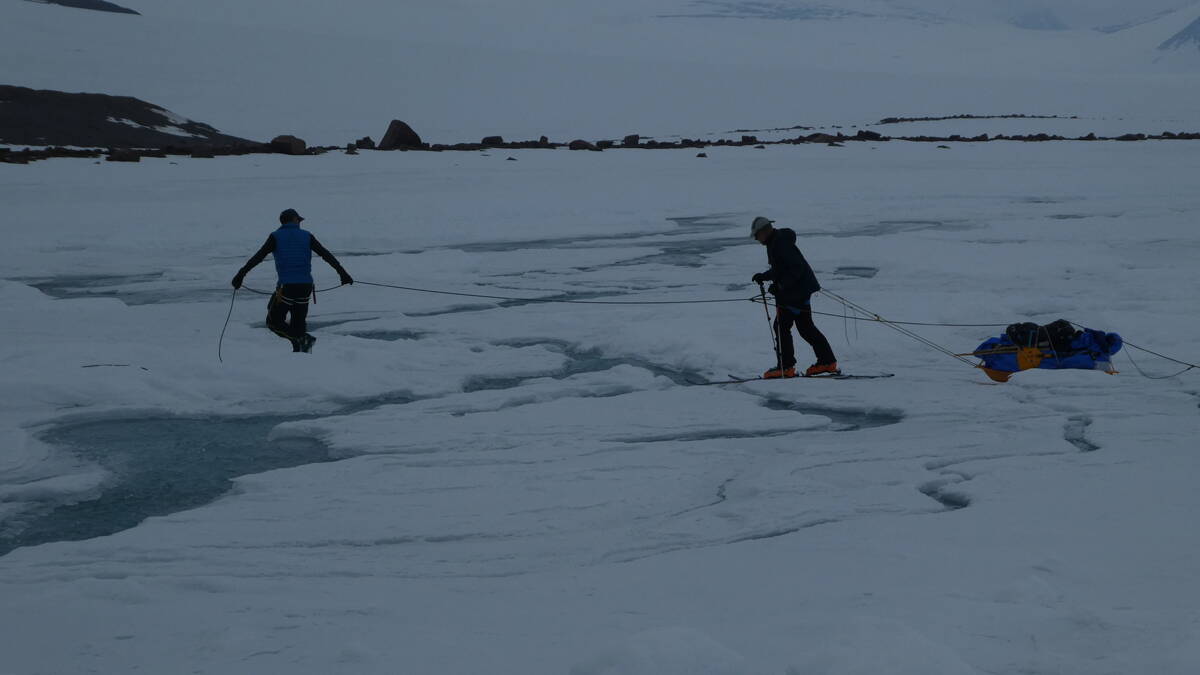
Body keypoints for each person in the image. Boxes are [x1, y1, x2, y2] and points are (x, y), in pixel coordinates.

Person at [231, 208, 353, 353]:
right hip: (305, 287)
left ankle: (302, 341)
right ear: (293, 220)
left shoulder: (276, 237)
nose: (300, 223)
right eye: (298, 220)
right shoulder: (307, 236)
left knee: (273, 322)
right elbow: (326, 254)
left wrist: (240, 275)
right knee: (298, 324)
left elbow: (258, 257)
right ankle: (301, 354)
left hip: (287, 288)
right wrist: (343, 273)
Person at [749, 216, 838, 378]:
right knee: (805, 327)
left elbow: (796, 268)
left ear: (765, 231)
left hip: (795, 292)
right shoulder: (775, 242)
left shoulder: (780, 243)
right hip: (799, 291)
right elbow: (781, 268)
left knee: (782, 326)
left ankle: (786, 367)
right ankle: (827, 361)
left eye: (757, 235)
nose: (756, 238)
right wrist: (765, 276)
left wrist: (781, 286)